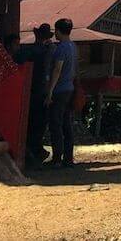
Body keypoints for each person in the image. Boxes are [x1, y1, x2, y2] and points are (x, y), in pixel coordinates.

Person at [21, 23, 55, 165]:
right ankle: (36, 151)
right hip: (42, 91)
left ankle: (34, 152)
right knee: (39, 125)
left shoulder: (28, 51)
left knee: (32, 124)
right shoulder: (48, 51)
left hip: (31, 91)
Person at [45, 18, 77, 168]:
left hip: (59, 89)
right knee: (66, 124)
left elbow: (57, 69)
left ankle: (57, 158)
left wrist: (50, 91)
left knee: (55, 124)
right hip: (70, 88)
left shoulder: (61, 48)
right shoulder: (73, 47)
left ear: (58, 30)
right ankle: (68, 157)